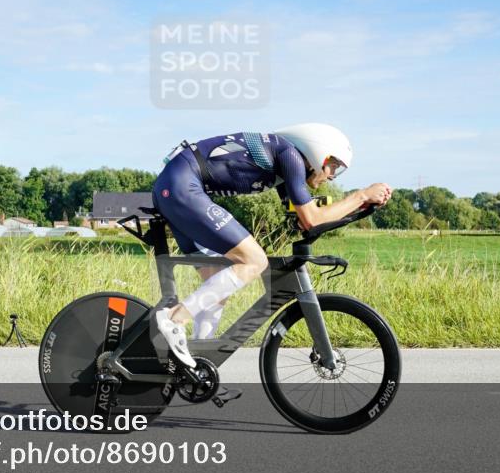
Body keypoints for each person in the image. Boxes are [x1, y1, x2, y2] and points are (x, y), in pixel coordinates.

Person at [151, 124, 392, 368]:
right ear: (320, 153)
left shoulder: (284, 163)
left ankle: (197, 362)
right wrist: (361, 196)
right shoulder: (291, 157)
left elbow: (305, 222)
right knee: (254, 261)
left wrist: (362, 208)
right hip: (183, 186)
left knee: (215, 286)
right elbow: (312, 218)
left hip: (174, 184)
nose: (331, 175)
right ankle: (173, 320)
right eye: (334, 166)